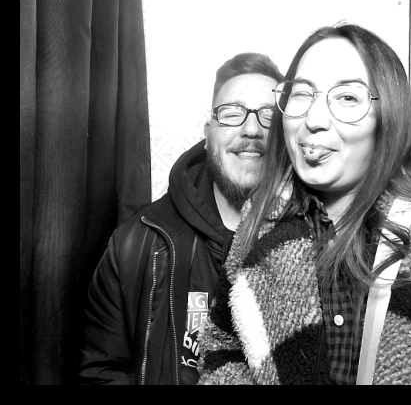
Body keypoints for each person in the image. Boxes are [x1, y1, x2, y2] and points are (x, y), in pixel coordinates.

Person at [197, 24, 411, 384]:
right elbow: (221, 348)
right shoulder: (259, 226)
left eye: (348, 98)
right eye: (301, 94)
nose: (313, 120)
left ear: (389, 114)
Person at [78, 53, 283, 383]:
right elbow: (101, 373)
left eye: (269, 116)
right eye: (232, 113)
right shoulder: (134, 245)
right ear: (208, 135)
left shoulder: (316, 243)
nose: (251, 129)